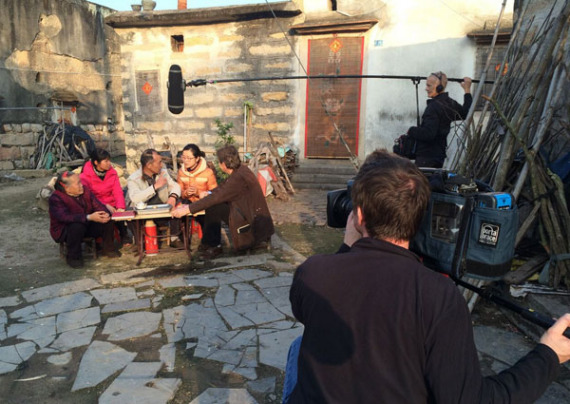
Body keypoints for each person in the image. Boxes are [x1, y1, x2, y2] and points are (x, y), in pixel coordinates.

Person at [285, 150, 570, 403]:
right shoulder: (439, 296)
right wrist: (548, 355)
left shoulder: (313, 272)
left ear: (358, 217)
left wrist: (347, 248)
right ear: (418, 218)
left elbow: (308, 310)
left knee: (298, 347)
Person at [172, 145, 274, 255]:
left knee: (213, 205)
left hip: (252, 223)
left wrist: (187, 209)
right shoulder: (241, 170)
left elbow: (218, 196)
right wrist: (209, 193)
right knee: (214, 204)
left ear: (223, 164)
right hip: (249, 214)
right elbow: (222, 188)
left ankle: (213, 245)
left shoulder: (238, 178)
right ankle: (210, 243)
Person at [49, 171, 121, 269]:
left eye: (80, 182)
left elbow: (98, 205)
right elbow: (64, 217)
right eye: (78, 183)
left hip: (87, 224)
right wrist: (89, 217)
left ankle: (108, 249)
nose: (81, 185)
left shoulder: (85, 191)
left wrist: (104, 214)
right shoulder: (56, 198)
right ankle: (73, 257)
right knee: (76, 226)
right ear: (66, 187)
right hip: (65, 230)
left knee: (107, 219)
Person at [408, 71, 472, 168]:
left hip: (427, 157)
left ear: (439, 87)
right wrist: (467, 90)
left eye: (429, 86)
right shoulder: (449, 103)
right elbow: (465, 113)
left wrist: (412, 130)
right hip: (439, 156)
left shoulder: (433, 107)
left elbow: (428, 134)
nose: (426, 88)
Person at [127, 149, 183, 248]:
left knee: (177, 202)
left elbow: (176, 186)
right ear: (149, 165)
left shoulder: (163, 172)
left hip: (163, 209)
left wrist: (173, 197)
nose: (161, 165)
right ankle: (141, 241)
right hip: (143, 213)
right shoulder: (133, 178)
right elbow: (135, 198)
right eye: (159, 162)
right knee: (129, 211)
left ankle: (174, 238)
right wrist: (154, 187)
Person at [177, 143, 223, 256]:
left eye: (189, 158)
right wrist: (185, 193)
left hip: (203, 203)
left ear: (197, 158)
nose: (185, 161)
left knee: (212, 211)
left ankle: (214, 244)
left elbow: (214, 192)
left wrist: (199, 193)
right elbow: (179, 192)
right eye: (183, 157)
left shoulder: (208, 172)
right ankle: (179, 240)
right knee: (178, 209)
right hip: (188, 203)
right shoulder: (181, 172)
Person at [80, 148, 130, 245]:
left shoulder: (112, 172)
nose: (109, 163)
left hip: (112, 203)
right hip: (95, 204)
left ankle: (124, 235)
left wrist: (120, 207)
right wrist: (105, 205)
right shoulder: (85, 177)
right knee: (105, 213)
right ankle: (105, 243)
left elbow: (117, 191)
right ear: (96, 162)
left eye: (109, 160)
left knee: (121, 211)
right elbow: (89, 196)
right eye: (106, 161)